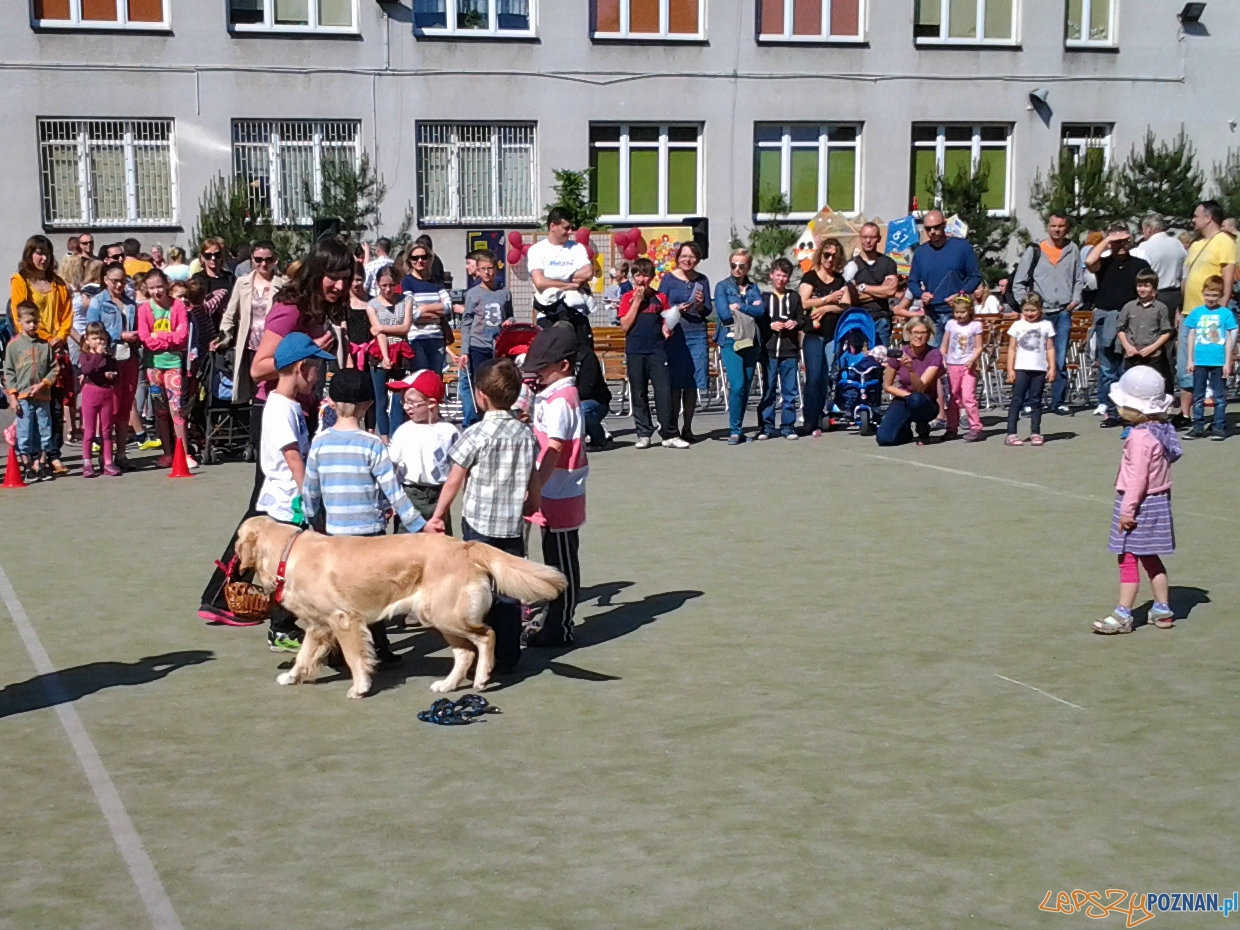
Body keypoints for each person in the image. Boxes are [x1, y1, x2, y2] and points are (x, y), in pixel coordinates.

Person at [197, 240, 352, 626]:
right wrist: (311, 348)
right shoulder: (290, 308)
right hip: (275, 410)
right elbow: (259, 366)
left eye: (345, 279)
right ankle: (222, 594)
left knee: (270, 509)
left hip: (301, 410)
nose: (339, 285)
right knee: (265, 508)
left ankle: (244, 595)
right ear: (318, 272)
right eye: (333, 276)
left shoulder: (320, 307)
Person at [302, 368, 426, 666]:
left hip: (334, 537)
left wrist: (312, 521)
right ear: (368, 406)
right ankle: (378, 648)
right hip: (369, 535)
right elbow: (394, 493)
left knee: (338, 595)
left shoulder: (320, 443)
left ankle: (336, 652)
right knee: (373, 594)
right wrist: (419, 527)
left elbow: (309, 493)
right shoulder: (372, 445)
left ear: (331, 402)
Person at [430, 358, 540, 673]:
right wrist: (535, 503)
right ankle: (507, 655)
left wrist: (439, 514)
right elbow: (532, 475)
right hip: (511, 525)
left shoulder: (476, 434)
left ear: (481, 396)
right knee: (508, 590)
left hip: (478, 524)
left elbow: (455, 479)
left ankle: (481, 652)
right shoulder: (525, 434)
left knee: (477, 588)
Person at [257, 332, 337, 652]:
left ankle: (288, 624)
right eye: (317, 369)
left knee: (293, 565)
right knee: (289, 567)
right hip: (287, 502)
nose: (319, 377)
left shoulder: (290, 406)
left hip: (291, 499)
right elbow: (292, 457)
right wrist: (309, 500)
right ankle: (280, 628)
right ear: (302, 368)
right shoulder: (280, 409)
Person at [1094, 366, 1181, 634]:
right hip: (1158, 502)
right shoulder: (1162, 430)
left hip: (1138, 504)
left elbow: (1137, 479)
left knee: (1128, 557)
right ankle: (1163, 609)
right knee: (1150, 556)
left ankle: (1123, 614)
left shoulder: (1139, 438)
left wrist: (1127, 511)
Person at [522, 325, 588, 648]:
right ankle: (554, 618)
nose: (537, 374)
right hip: (552, 491)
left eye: (542, 368)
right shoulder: (553, 395)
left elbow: (555, 449)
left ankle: (561, 625)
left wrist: (535, 488)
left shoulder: (562, 400)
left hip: (559, 492)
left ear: (563, 366)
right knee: (554, 559)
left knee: (561, 563)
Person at [10, 235, 73, 475]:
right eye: (37, 252)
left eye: (46, 252)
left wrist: (61, 335)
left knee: (55, 404)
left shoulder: (58, 283)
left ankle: (53, 454)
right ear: (28, 255)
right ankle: (33, 455)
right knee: (32, 405)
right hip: (32, 350)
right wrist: (46, 338)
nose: (42, 257)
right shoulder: (20, 281)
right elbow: (20, 316)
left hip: (56, 349)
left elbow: (67, 314)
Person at [1011, 214, 1084, 415]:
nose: (1057, 230)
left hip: (1062, 312)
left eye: (1061, 226)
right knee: (1032, 357)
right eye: (1053, 226)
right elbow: (1019, 282)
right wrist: (1026, 306)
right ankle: (1029, 402)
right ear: (1047, 227)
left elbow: (1079, 278)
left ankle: (1058, 401)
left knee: (1059, 358)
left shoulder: (1073, 249)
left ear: (1067, 228)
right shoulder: (1034, 251)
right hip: (1038, 314)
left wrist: (1075, 299)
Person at [1085, 223, 1152, 427]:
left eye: (1124, 241)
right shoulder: (1104, 263)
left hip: (1130, 319)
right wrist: (1107, 241)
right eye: (1117, 242)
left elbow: (1147, 288)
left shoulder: (1139, 264)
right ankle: (1111, 411)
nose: (1120, 245)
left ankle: (1129, 411)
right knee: (1107, 369)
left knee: (1127, 367)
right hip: (1106, 318)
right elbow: (1089, 261)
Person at [1178, 201, 1236, 422]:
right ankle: (1185, 413)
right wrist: (1179, 309)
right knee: (1186, 362)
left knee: (1209, 363)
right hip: (1188, 311)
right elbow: (1187, 279)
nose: (1193, 220)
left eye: (1196, 215)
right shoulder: (1196, 244)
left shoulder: (1224, 241)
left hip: (1210, 314)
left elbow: (1227, 275)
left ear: (1208, 218)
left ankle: (1214, 416)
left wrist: (1223, 304)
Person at [894, 210, 982, 349]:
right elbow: (913, 281)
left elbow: (975, 276)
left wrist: (961, 294)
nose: (932, 232)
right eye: (928, 229)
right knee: (932, 357)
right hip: (931, 314)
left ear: (944, 224)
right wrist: (921, 294)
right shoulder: (921, 253)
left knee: (958, 354)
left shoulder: (962, 247)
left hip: (957, 312)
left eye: (936, 227)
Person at [386, 369, 460, 533]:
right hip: (410, 495)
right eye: (404, 402)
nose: (406, 407)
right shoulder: (403, 431)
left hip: (440, 496)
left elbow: (458, 468)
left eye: (411, 402)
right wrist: (389, 501)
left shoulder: (449, 431)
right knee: (406, 547)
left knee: (440, 545)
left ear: (431, 403)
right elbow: (391, 465)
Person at [216, 240, 286, 406]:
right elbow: (230, 314)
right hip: (249, 346)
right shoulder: (243, 282)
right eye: (258, 259)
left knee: (273, 389)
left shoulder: (283, 284)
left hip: (273, 345)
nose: (263, 264)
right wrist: (223, 336)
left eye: (268, 259)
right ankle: (255, 425)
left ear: (275, 260)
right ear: (251, 260)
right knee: (253, 390)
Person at [86, 262, 141, 469]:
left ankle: (121, 454)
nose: (119, 285)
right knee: (110, 408)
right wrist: (120, 335)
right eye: (115, 281)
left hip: (130, 358)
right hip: (110, 359)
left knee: (126, 406)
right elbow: (92, 333)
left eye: (122, 280)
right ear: (106, 280)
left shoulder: (130, 302)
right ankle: (105, 455)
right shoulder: (98, 302)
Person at [138, 269, 192, 470]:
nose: (156, 291)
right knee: (160, 409)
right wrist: (167, 338)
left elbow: (182, 336)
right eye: (152, 288)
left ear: (167, 285)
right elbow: (145, 339)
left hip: (173, 364)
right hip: (153, 366)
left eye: (160, 286)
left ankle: (184, 453)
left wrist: (159, 336)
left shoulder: (177, 306)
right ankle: (167, 453)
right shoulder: (144, 309)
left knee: (176, 409)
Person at [658, 241, 711, 441]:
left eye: (692, 257)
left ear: (697, 259)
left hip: (696, 332)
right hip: (675, 333)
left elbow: (706, 310)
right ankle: (672, 428)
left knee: (692, 382)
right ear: (678, 258)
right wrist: (675, 309)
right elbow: (660, 304)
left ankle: (688, 427)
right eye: (684, 256)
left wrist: (698, 304)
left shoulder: (703, 280)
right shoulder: (669, 279)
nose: (688, 260)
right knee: (675, 382)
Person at [797, 237, 849, 437]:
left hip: (832, 333)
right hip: (814, 333)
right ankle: (810, 419)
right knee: (814, 376)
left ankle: (821, 414)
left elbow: (845, 304)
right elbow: (803, 302)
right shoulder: (810, 277)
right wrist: (827, 299)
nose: (830, 259)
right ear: (820, 255)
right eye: (826, 255)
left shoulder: (839, 280)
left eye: (834, 256)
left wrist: (827, 307)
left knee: (829, 375)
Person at [712, 249, 765, 445]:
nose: (737, 269)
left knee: (746, 387)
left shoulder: (753, 287)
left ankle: (739, 428)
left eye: (741, 266)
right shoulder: (722, 286)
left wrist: (741, 307)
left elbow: (760, 311)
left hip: (751, 340)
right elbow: (725, 314)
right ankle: (734, 430)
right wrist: (749, 307)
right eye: (733, 265)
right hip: (730, 340)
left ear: (748, 267)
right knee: (738, 385)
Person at [3, 302, 59, 481]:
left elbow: (54, 368)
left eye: (35, 321)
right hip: (23, 397)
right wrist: (13, 396)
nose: (33, 325)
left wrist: (43, 384)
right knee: (24, 432)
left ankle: (41, 464)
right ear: (19, 321)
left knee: (45, 430)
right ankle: (27, 465)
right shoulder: (14, 346)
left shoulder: (45, 345)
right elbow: (9, 372)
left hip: (42, 396)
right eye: (28, 322)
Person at [459, 249, 514, 428]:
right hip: (478, 344)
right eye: (483, 269)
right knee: (480, 383)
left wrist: (509, 321)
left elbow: (510, 315)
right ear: (478, 271)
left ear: (496, 269)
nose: (487, 273)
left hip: (498, 345)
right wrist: (464, 351)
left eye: (490, 268)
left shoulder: (504, 293)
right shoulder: (473, 294)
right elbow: (466, 322)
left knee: (498, 381)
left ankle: (498, 416)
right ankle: (478, 419)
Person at [1183, 275, 1237, 439]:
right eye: (1207, 295)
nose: (1210, 299)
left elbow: (1229, 338)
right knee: (1198, 395)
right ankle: (1198, 426)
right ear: (1203, 294)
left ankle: (1219, 426)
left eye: (1214, 295)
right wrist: (1190, 359)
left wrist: (1228, 362)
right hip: (1200, 360)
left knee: (1219, 395)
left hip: (1218, 360)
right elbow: (1191, 335)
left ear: (1220, 296)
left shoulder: (1225, 313)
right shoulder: (1197, 312)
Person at [875, 316, 942, 447]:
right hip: (904, 398)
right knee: (884, 439)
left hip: (925, 401)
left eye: (923, 333)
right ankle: (904, 430)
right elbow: (887, 386)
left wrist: (911, 370)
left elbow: (920, 388)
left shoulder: (934, 354)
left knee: (916, 399)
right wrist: (906, 396)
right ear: (909, 334)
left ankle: (922, 426)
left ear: (929, 335)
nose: (919, 336)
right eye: (915, 333)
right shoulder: (900, 353)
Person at [757, 257, 803, 441]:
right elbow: (759, 321)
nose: (781, 279)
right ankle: (766, 426)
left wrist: (795, 323)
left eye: (785, 276)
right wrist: (770, 325)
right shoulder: (764, 298)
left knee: (789, 390)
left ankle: (788, 426)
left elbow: (802, 319)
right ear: (771, 276)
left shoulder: (794, 297)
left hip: (789, 350)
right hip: (769, 351)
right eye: (778, 275)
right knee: (768, 389)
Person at [367, 264, 414, 441]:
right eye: (384, 285)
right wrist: (385, 357)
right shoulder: (372, 305)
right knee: (380, 399)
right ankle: (384, 438)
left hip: (402, 350)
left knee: (399, 396)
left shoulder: (406, 300)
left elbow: (405, 327)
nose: (388, 289)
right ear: (378, 284)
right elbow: (378, 334)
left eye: (391, 285)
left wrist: (381, 327)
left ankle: (397, 434)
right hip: (380, 351)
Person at [1004, 295, 1056, 447]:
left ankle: (1035, 432)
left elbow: (1050, 348)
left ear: (1040, 309)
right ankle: (1011, 433)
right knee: (1017, 400)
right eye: (1026, 310)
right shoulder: (1017, 326)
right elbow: (1012, 349)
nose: (1030, 313)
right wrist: (1010, 369)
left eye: (1033, 310)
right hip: (1021, 368)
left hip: (1039, 368)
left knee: (1036, 400)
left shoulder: (1046, 325)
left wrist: (1052, 367)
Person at [843, 222, 900, 347]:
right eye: (864, 237)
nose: (868, 241)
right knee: (858, 361)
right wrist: (881, 291)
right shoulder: (851, 265)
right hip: (858, 319)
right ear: (860, 238)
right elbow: (853, 297)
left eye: (872, 237)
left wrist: (864, 287)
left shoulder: (888, 263)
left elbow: (890, 291)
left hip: (881, 319)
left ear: (878, 239)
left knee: (881, 360)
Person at [400, 242, 452, 374]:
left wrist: (424, 308)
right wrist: (435, 312)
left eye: (423, 257)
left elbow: (448, 306)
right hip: (417, 339)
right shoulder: (407, 282)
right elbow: (413, 314)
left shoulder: (436, 282)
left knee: (435, 380)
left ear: (429, 258)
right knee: (421, 378)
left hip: (437, 338)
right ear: (409, 260)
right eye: (415, 258)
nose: (420, 261)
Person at [77, 321, 119, 477]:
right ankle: (87, 462)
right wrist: (98, 355)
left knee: (107, 430)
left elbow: (116, 374)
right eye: (95, 338)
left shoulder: (109, 357)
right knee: (89, 431)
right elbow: (87, 369)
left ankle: (108, 461)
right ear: (87, 340)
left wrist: (112, 375)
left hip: (106, 394)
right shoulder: (85, 356)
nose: (99, 342)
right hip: (90, 393)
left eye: (102, 339)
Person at [1116, 270, 1173, 380]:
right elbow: (1120, 328)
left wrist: (1153, 347)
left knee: (1152, 383)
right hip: (1132, 355)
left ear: (1154, 288)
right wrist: (1127, 346)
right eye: (1139, 286)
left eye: (1146, 286)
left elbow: (1166, 332)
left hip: (1153, 356)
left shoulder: (1161, 308)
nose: (1142, 289)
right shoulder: (1129, 306)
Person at [942, 294, 984, 442]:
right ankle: (951, 427)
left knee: (968, 397)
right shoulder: (951, 324)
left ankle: (976, 427)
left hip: (968, 365)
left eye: (963, 312)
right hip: (953, 365)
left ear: (970, 311)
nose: (959, 315)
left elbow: (979, 347)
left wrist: (973, 359)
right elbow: (944, 345)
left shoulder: (976, 325)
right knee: (953, 397)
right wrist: (943, 359)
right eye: (957, 312)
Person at [1132, 213, 1185, 319]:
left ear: (1149, 229)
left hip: (1154, 295)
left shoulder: (1144, 247)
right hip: (1175, 295)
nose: (1143, 232)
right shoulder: (1178, 244)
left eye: (1143, 229)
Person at [192, 237, 236, 330]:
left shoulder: (230, 278)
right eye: (208, 255)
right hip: (206, 327)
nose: (213, 258)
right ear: (202, 257)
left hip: (227, 326)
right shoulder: (198, 278)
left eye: (217, 254)